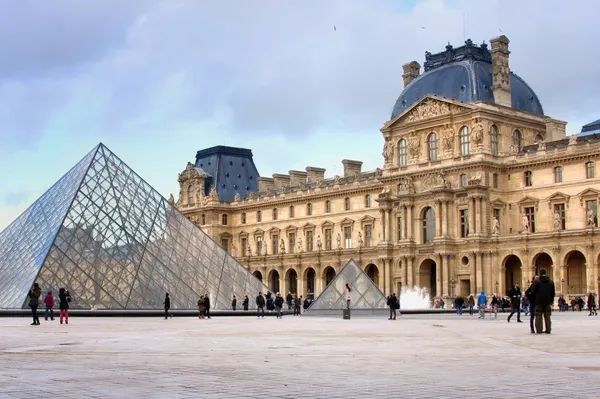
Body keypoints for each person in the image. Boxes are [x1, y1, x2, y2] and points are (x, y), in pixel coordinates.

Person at [530, 268, 555, 334]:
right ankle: (548, 329)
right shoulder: (551, 282)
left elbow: (532, 292)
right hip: (547, 301)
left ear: (540, 273)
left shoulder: (537, 282)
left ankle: (539, 330)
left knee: (538, 315)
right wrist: (551, 301)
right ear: (546, 273)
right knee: (547, 315)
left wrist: (534, 299)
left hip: (538, 301)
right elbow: (553, 293)